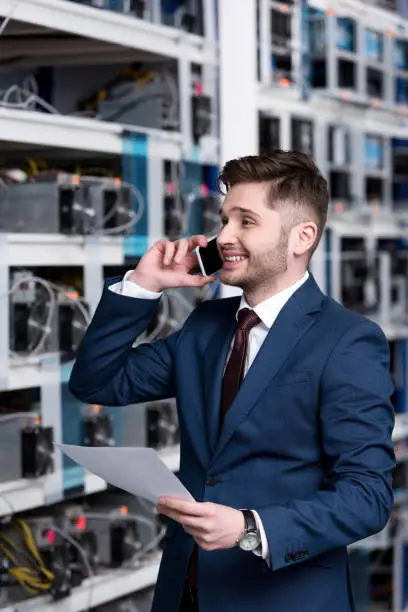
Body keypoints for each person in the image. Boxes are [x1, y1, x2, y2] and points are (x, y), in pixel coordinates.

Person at [69, 150, 396, 612]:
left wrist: (249, 527)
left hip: (282, 596)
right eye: (224, 220)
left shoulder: (347, 341)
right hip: (186, 592)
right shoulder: (207, 326)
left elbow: (367, 497)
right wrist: (144, 286)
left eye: (246, 222)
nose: (224, 237)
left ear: (302, 237)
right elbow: (97, 383)